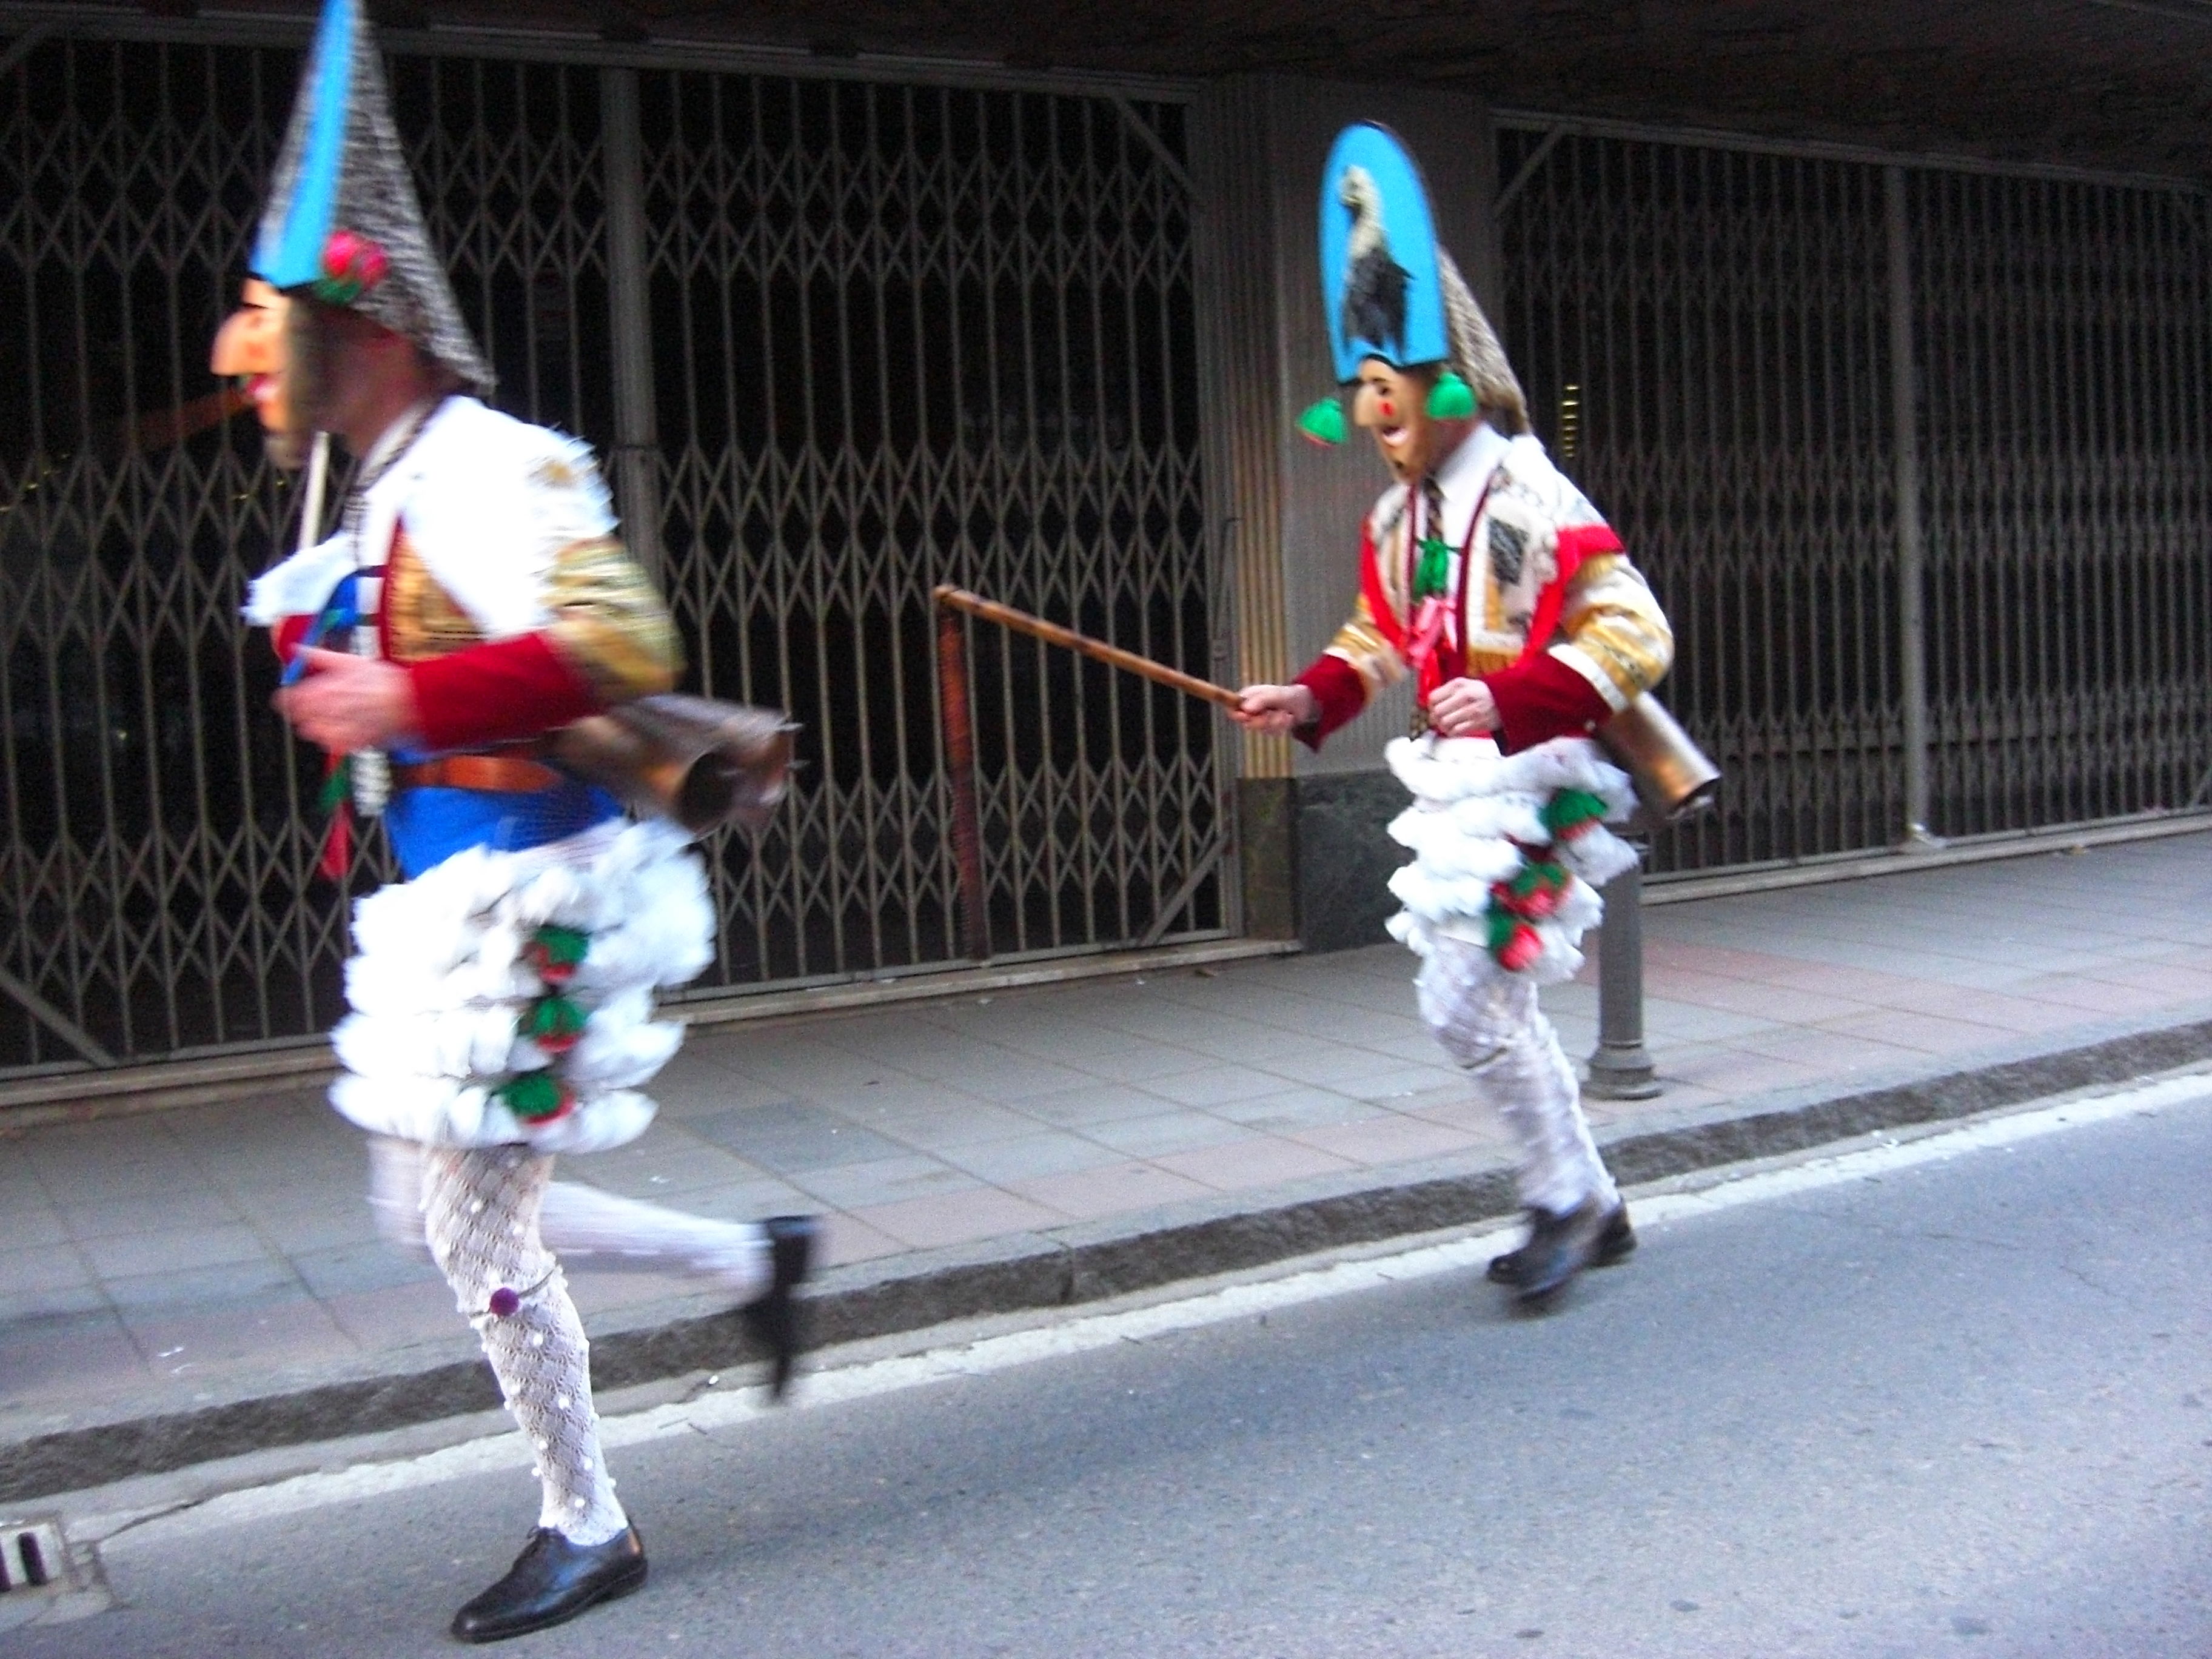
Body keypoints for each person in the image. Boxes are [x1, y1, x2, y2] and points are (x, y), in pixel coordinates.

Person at [219, 0, 816, 1640]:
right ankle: (755, 1266)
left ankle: (589, 1521)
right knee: (431, 1205)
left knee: (470, 1227)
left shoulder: (494, 463)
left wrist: (405, 703)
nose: (254, 352)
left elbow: (625, 644)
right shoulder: (377, 486)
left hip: (528, 893)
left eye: (285, 320)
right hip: (438, 890)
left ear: (371, 321)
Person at [1235, 123, 1672, 1308]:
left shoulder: (1534, 492)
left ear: (1442, 378)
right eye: (1361, 393)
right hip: (1457, 786)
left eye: (1388, 387)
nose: (1373, 412)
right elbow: (1380, 637)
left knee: (1464, 999)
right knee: (1490, 997)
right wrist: (1311, 693)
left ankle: (1567, 1199)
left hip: (1546, 781)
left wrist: (1522, 689)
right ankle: (1587, 1200)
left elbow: (1638, 632)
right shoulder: (1398, 520)